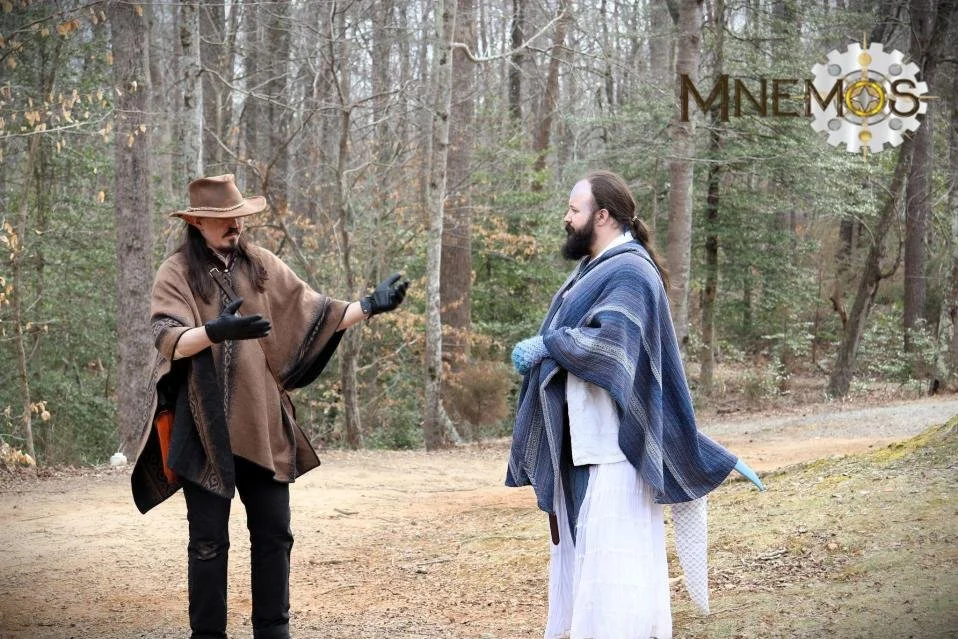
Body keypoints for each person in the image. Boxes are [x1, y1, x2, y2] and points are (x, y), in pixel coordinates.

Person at [130, 174, 409, 639]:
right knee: (207, 542)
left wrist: (369, 305)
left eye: (239, 217)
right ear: (197, 222)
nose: (235, 225)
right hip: (203, 428)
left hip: (262, 425)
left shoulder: (260, 264)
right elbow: (167, 339)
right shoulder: (176, 272)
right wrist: (214, 332)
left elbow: (316, 312)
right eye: (224, 218)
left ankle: (274, 630)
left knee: (275, 532)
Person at [506, 170, 763, 639]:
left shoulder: (630, 271)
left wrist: (549, 345)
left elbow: (614, 344)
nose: (566, 217)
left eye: (574, 209)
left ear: (602, 215)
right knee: (588, 563)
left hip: (614, 447)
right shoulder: (593, 268)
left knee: (615, 572)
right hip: (582, 441)